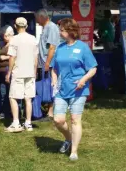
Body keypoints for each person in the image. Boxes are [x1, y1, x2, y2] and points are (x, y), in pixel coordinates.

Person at [51, 18, 97, 161]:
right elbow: (54, 68)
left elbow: (93, 68)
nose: (60, 32)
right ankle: (68, 138)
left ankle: (74, 151)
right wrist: (54, 81)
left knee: (75, 119)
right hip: (61, 90)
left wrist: (83, 80)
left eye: (62, 30)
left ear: (71, 31)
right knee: (58, 120)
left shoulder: (83, 48)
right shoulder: (60, 47)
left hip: (79, 90)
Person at [5, 18, 38, 132]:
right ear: (27, 25)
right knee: (28, 99)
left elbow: (12, 57)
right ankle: (28, 123)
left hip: (18, 72)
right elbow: (35, 57)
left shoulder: (14, 39)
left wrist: (9, 72)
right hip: (30, 72)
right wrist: (35, 71)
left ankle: (16, 122)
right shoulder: (33, 39)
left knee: (13, 97)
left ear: (15, 26)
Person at [35, 9, 60, 121]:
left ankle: (51, 112)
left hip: (49, 63)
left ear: (41, 17)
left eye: (37, 18)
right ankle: (47, 108)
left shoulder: (52, 27)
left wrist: (48, 63)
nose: (36, 21)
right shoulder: (46, 28)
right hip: (43, 62)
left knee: (50, 86)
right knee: (45, 86)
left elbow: (52, 47)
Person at [0, 25, 14, 118]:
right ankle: (4, 110)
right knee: (3, 92)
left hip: (8, 71)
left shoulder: (13, 43)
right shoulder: (5, 44)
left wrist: (5, 57)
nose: (3, 37)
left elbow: (16, 55)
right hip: (1, 72)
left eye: (3, 35)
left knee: (8, 92)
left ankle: (8, 111)